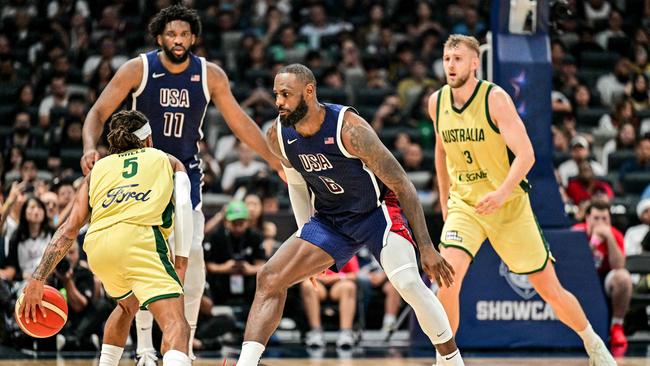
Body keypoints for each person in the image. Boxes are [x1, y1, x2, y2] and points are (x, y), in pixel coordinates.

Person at [79, 5, 282, 363]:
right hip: (142, 176)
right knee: (144, 267)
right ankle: (144, 349)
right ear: (160, 37)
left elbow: (239, 121)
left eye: (184, 34)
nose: (178, 40)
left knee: (193, 266)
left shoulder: (210, 75)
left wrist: (273, 159)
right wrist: (88, 147)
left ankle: (182, 348)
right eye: (172, 34)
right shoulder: (138, 68)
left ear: (193, 38)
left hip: (184, 177)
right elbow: (97, 111)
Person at [236, 64, 463, 366]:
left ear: (309, 91)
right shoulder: (278, 135)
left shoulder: (350, 129)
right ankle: (245, 363)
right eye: (277, 94)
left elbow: (403, 185)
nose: (279, 102)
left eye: (286, 95)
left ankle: (451, 360)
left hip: (375, 213)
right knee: (269, 278)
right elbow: (296, 184)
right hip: (331, 219)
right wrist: (307, 239)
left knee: (408, 282)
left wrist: (426, 247)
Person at [429, 34, 616, 365]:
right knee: (447, 279)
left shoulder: (495, 99)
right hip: (466, 206)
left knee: (550, 290)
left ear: (475, 63)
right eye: (447, 59)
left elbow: (527, 154)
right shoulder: (437, 102)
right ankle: (447, 359)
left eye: (458, 58)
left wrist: (501, 194)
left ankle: (592, 342)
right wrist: (446, 204)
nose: (451, 65)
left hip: (509, 204)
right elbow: (441, 153)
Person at [20, 110, 193, 366]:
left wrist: (38, 278)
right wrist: (181, 262)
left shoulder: (97, 169)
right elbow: (184, 208)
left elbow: (69, 229)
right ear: (148, 140)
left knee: (126, 306)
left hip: (98, 248)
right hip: (139, 240)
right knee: (176, 323)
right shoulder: (166, 160)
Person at [572, 200, 633, 351]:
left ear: (610, 219)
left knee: (623, 278)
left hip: (604, 280)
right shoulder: (576, 232)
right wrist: (593, 243)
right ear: (587, 218)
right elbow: (573, 266)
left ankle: (617, 327)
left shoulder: (615, 235)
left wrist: (609, 239)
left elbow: (618, 266)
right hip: (580, 281)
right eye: (596, 218)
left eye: (604, 218)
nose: (601, 222)